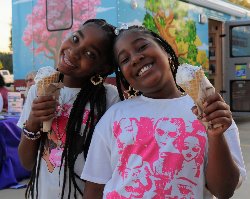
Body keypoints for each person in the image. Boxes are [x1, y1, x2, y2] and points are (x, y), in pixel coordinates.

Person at [81, 26, 246, 199]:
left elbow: (224, 190)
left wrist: (216, 134)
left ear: (166, 51)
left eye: (142, 47)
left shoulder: (209, 110)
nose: (136, 58)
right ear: (124, 76)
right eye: (125, 59)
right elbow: (94, 188)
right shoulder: (114, 117)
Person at [17, 19, 120, 199]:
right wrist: (33, 121)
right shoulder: (38, 91)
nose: (74, 52)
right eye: (75, 39)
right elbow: (26, 162)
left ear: (104, 68)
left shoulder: (110, 99)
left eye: (90, 53)